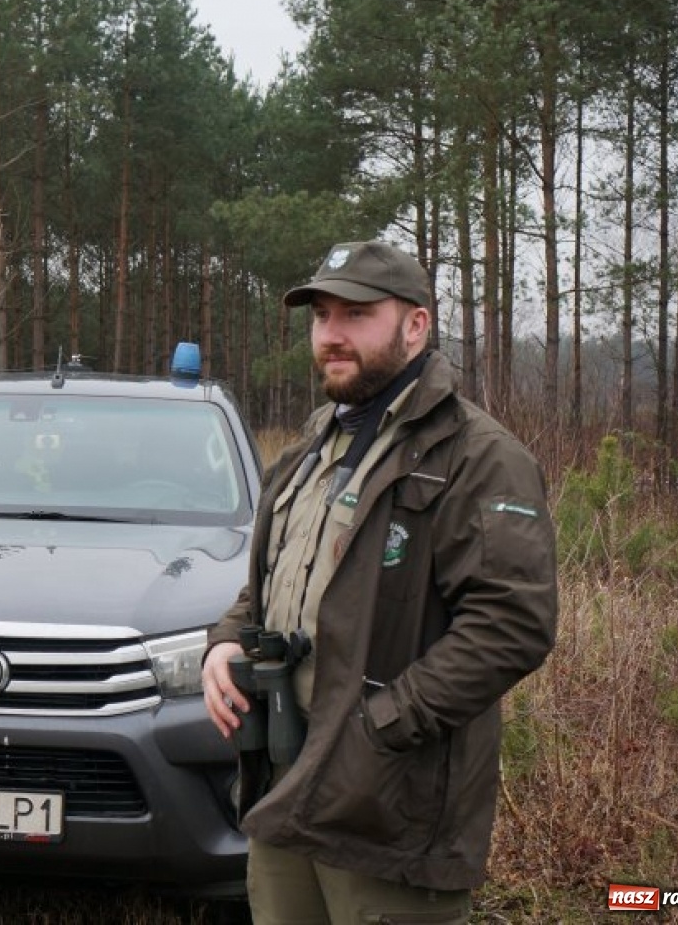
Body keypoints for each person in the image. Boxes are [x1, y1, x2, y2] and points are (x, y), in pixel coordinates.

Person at [201, 241, 557, 924]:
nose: (331, 334)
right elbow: (276, 578)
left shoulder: (478, 457)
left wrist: (379, 728)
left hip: (389, 809)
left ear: (416, 325)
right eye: (322, 315)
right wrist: (226, 640)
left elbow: (512, 626)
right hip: (285, 782)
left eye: (356, 314)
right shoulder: (314, 444)